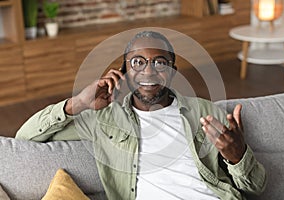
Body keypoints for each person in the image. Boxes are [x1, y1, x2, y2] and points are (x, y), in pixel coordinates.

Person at [16, 31, 266, 200]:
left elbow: (256, 186)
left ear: (172, 72)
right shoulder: (103, 119)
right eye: (137, 62)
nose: (149, 71)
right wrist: (79, 102)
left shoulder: (207, 112)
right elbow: (24, 137)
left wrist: (237, 156)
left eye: (159, 63)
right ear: (123, 71)